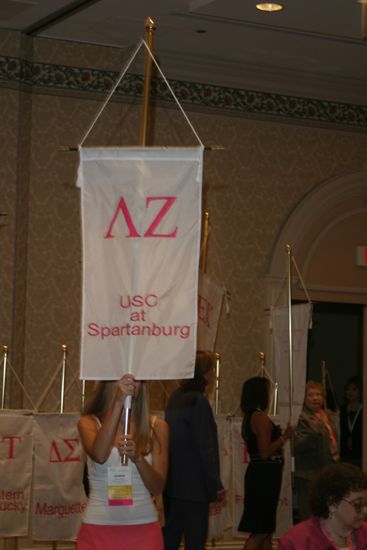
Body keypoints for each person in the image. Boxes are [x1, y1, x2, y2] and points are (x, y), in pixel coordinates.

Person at [76, 374, 168, 550]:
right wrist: (118, 402)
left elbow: (157, 487)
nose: (132, 383)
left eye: (138, 379)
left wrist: (139, 459)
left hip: (144, 530)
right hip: (98, 529)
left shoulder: (158, 427)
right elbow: (100, 455)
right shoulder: (89, 423)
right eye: (124, 378)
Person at [162, 351, 224, 550]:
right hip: (194, 487)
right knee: (195, 542)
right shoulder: (198, 401)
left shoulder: (174, 398)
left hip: (172, 484)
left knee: (170, 539)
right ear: (205, 374)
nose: (214, 374)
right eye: (212, 369)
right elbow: (205, 448)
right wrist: (215, 485)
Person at [238, 376, 294, 550]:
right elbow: (265, 452)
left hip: (261, 474)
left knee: (266, 528)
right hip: (264, 476)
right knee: (260, 530)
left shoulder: (249, 417)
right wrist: (284, 436)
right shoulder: (260, 417)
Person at [278, 463, 367, 549]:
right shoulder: (298, 542)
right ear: (332, 503)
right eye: (358, 504)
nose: (365, 510)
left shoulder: (364, 534)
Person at [294, 380, 339, 522]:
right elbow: (297, 446)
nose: (315, 398)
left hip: (325, 471)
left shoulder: (325, 415)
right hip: (308, 473)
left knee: (325, 515)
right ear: (303, 398)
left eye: (318, 395)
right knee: (309, 515)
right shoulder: (301, 417)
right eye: (310, 395)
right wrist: (312, 433)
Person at [340, 376, 363, 467]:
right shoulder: (342, 410)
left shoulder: (364, 411)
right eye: (348, 389)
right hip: (345, 455)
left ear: (361, 391)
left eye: (354, 389)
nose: (350, 392)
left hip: (361, 455)